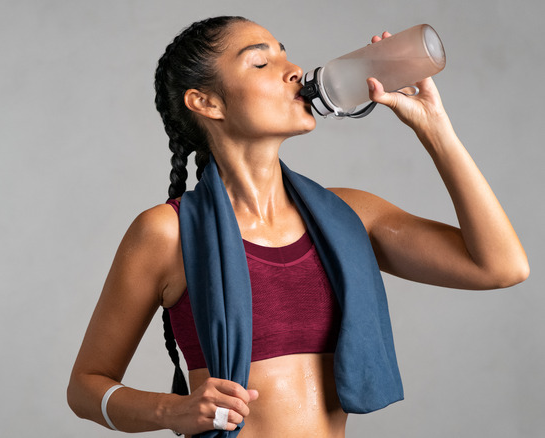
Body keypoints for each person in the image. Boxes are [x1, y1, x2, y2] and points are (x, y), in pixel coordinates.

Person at [66, 15, 529, 437]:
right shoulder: (168, 233)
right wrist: (171, 411)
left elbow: (501, 267)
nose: (293, 69)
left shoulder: (351, 216)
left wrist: (435, 129)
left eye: (286, 53)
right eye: (262, 62)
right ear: (205, 102)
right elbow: (86, 388)